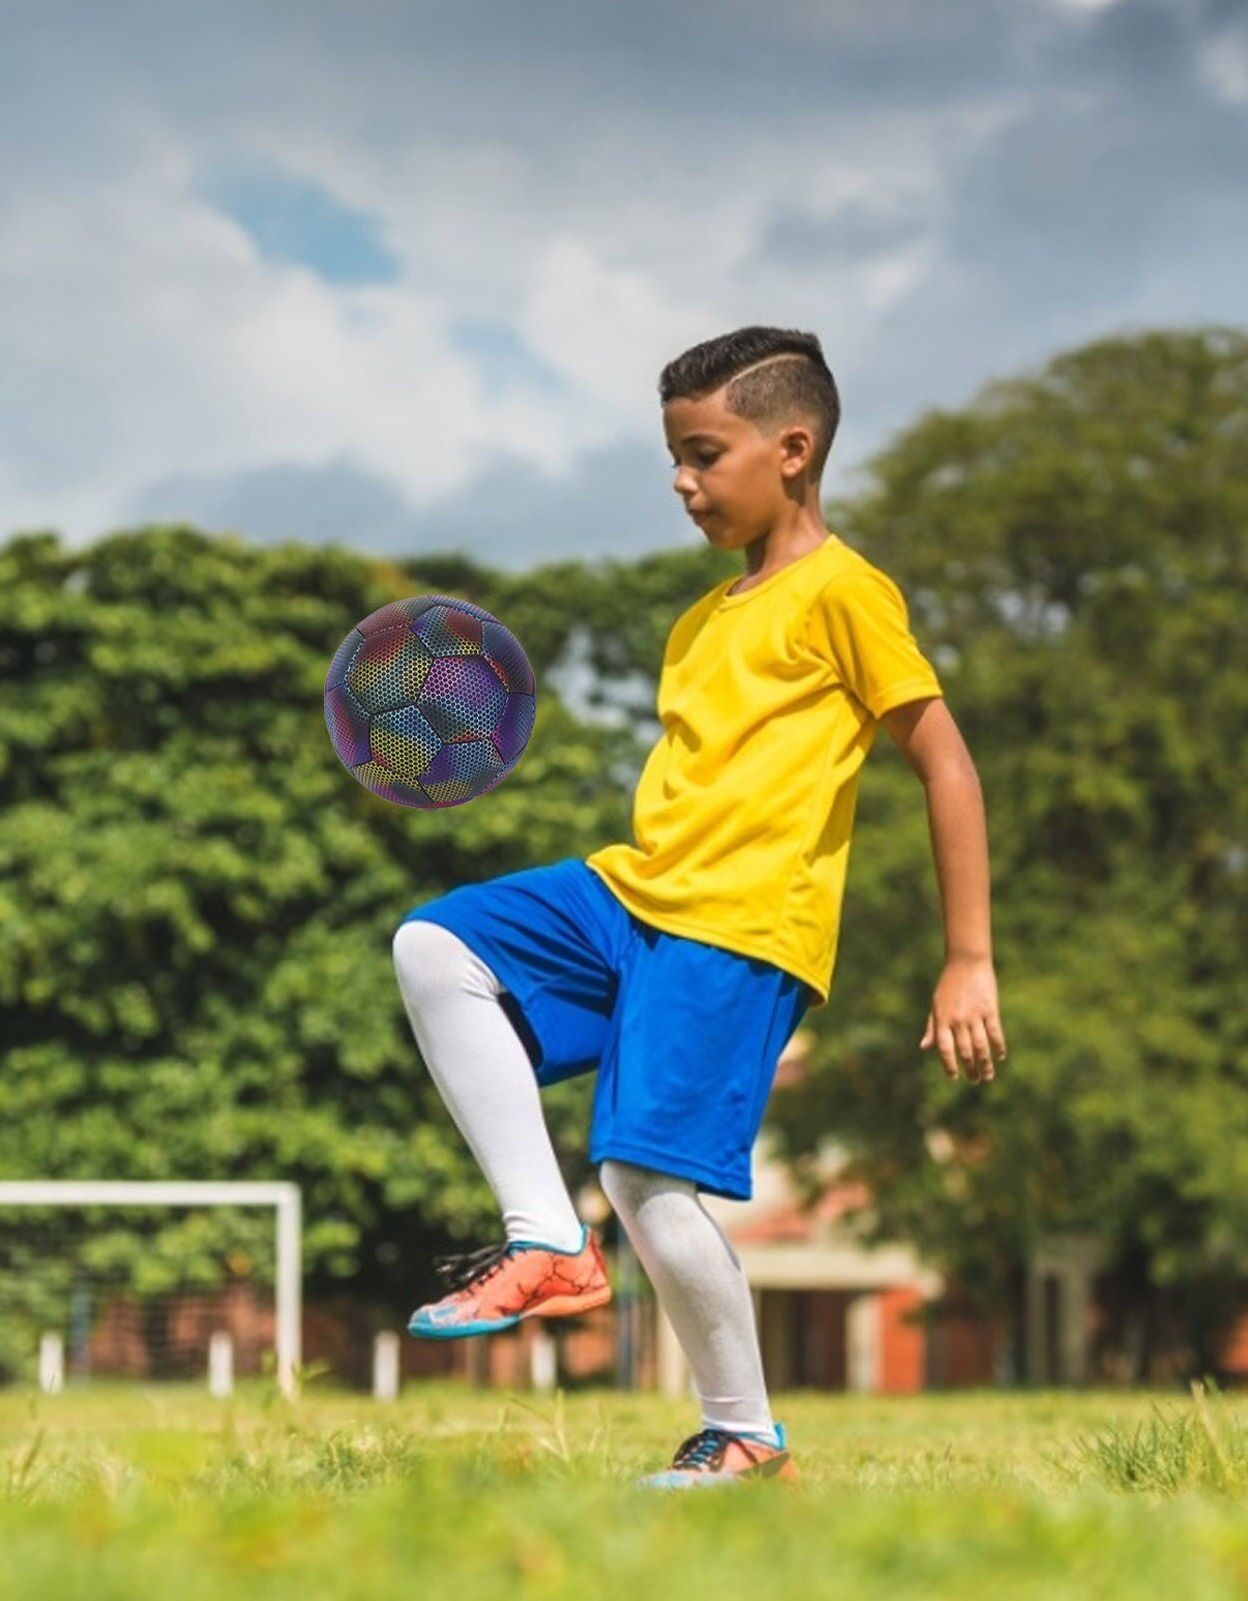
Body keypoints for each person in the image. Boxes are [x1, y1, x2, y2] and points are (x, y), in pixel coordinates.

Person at [391, 325, 1007, 1488]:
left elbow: (946, 765)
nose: (681, 478)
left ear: (791, 447)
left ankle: (742, 1432)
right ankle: (546, 1242)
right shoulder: (700, 621)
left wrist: (966, 956)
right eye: (672, 454)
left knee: (642, 1176)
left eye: (702, 452)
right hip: (636, 893)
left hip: (737, 923)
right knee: (435, 943)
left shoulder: (845, 592)